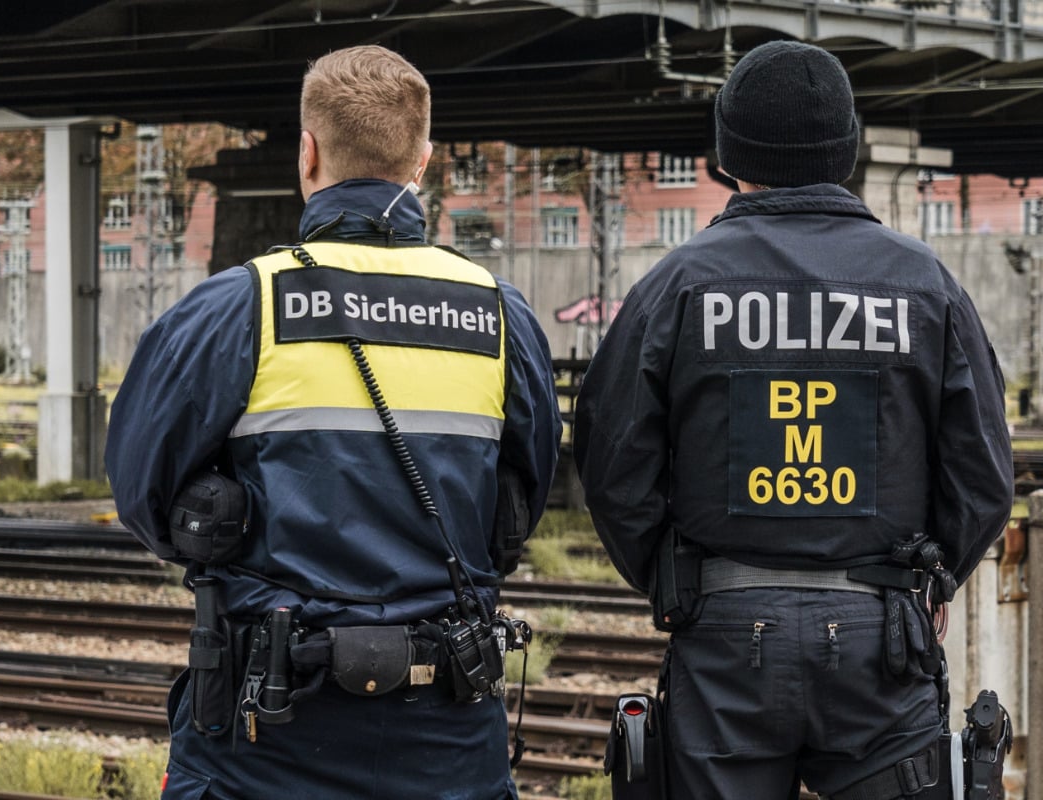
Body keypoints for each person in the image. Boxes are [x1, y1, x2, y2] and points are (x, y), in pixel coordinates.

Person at [105, 45, 561, 800]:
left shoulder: (235, 308)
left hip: (264, 737)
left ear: (307, 153)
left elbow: (142, 493)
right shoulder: (498, 314)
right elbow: (523, 504)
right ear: (423, 161)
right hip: (448, 736)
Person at [573, 40, 1013, 800]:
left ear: (727, 154)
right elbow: (982, 472)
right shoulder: (924, 285)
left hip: (723, 645)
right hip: (883, 642)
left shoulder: (677, 286)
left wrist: (675, 581)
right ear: (846, 150)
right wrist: (932, 579)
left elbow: (610, 462)